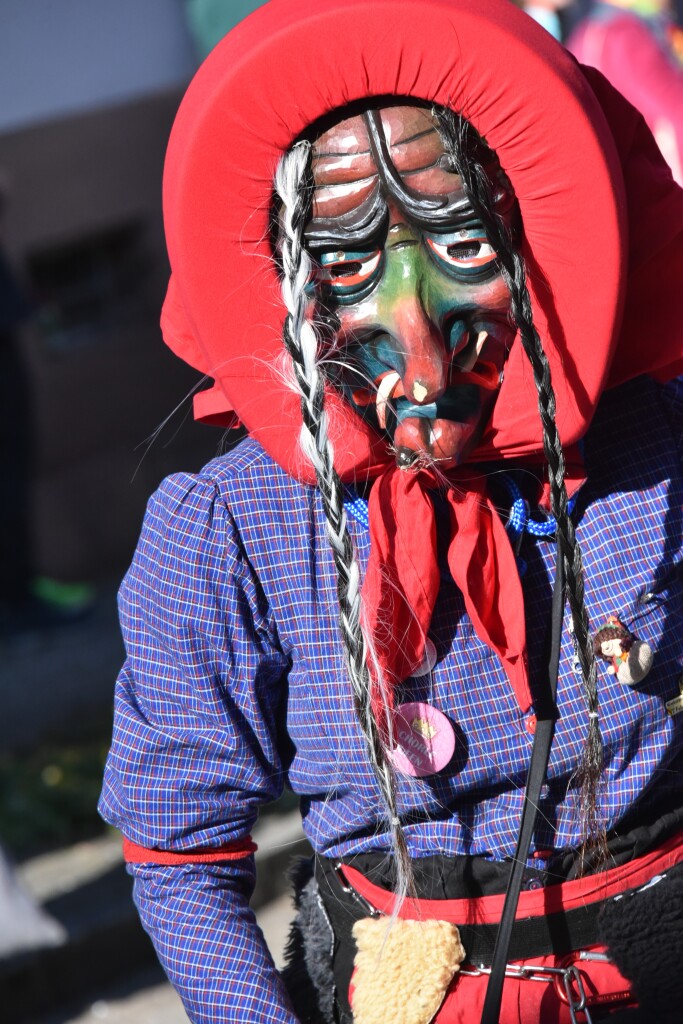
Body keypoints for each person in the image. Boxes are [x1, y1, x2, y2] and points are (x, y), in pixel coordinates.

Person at [99, 1, 683, 1021]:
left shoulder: (664, 445)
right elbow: (179, 854)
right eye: (347, 264)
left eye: (462, 242)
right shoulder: (223, 534)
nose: (417, 347)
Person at [567, 0, 683, 183]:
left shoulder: (584, 33)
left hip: (614, 179)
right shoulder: (627, 34)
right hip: (655, 182)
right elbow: (675, 111)